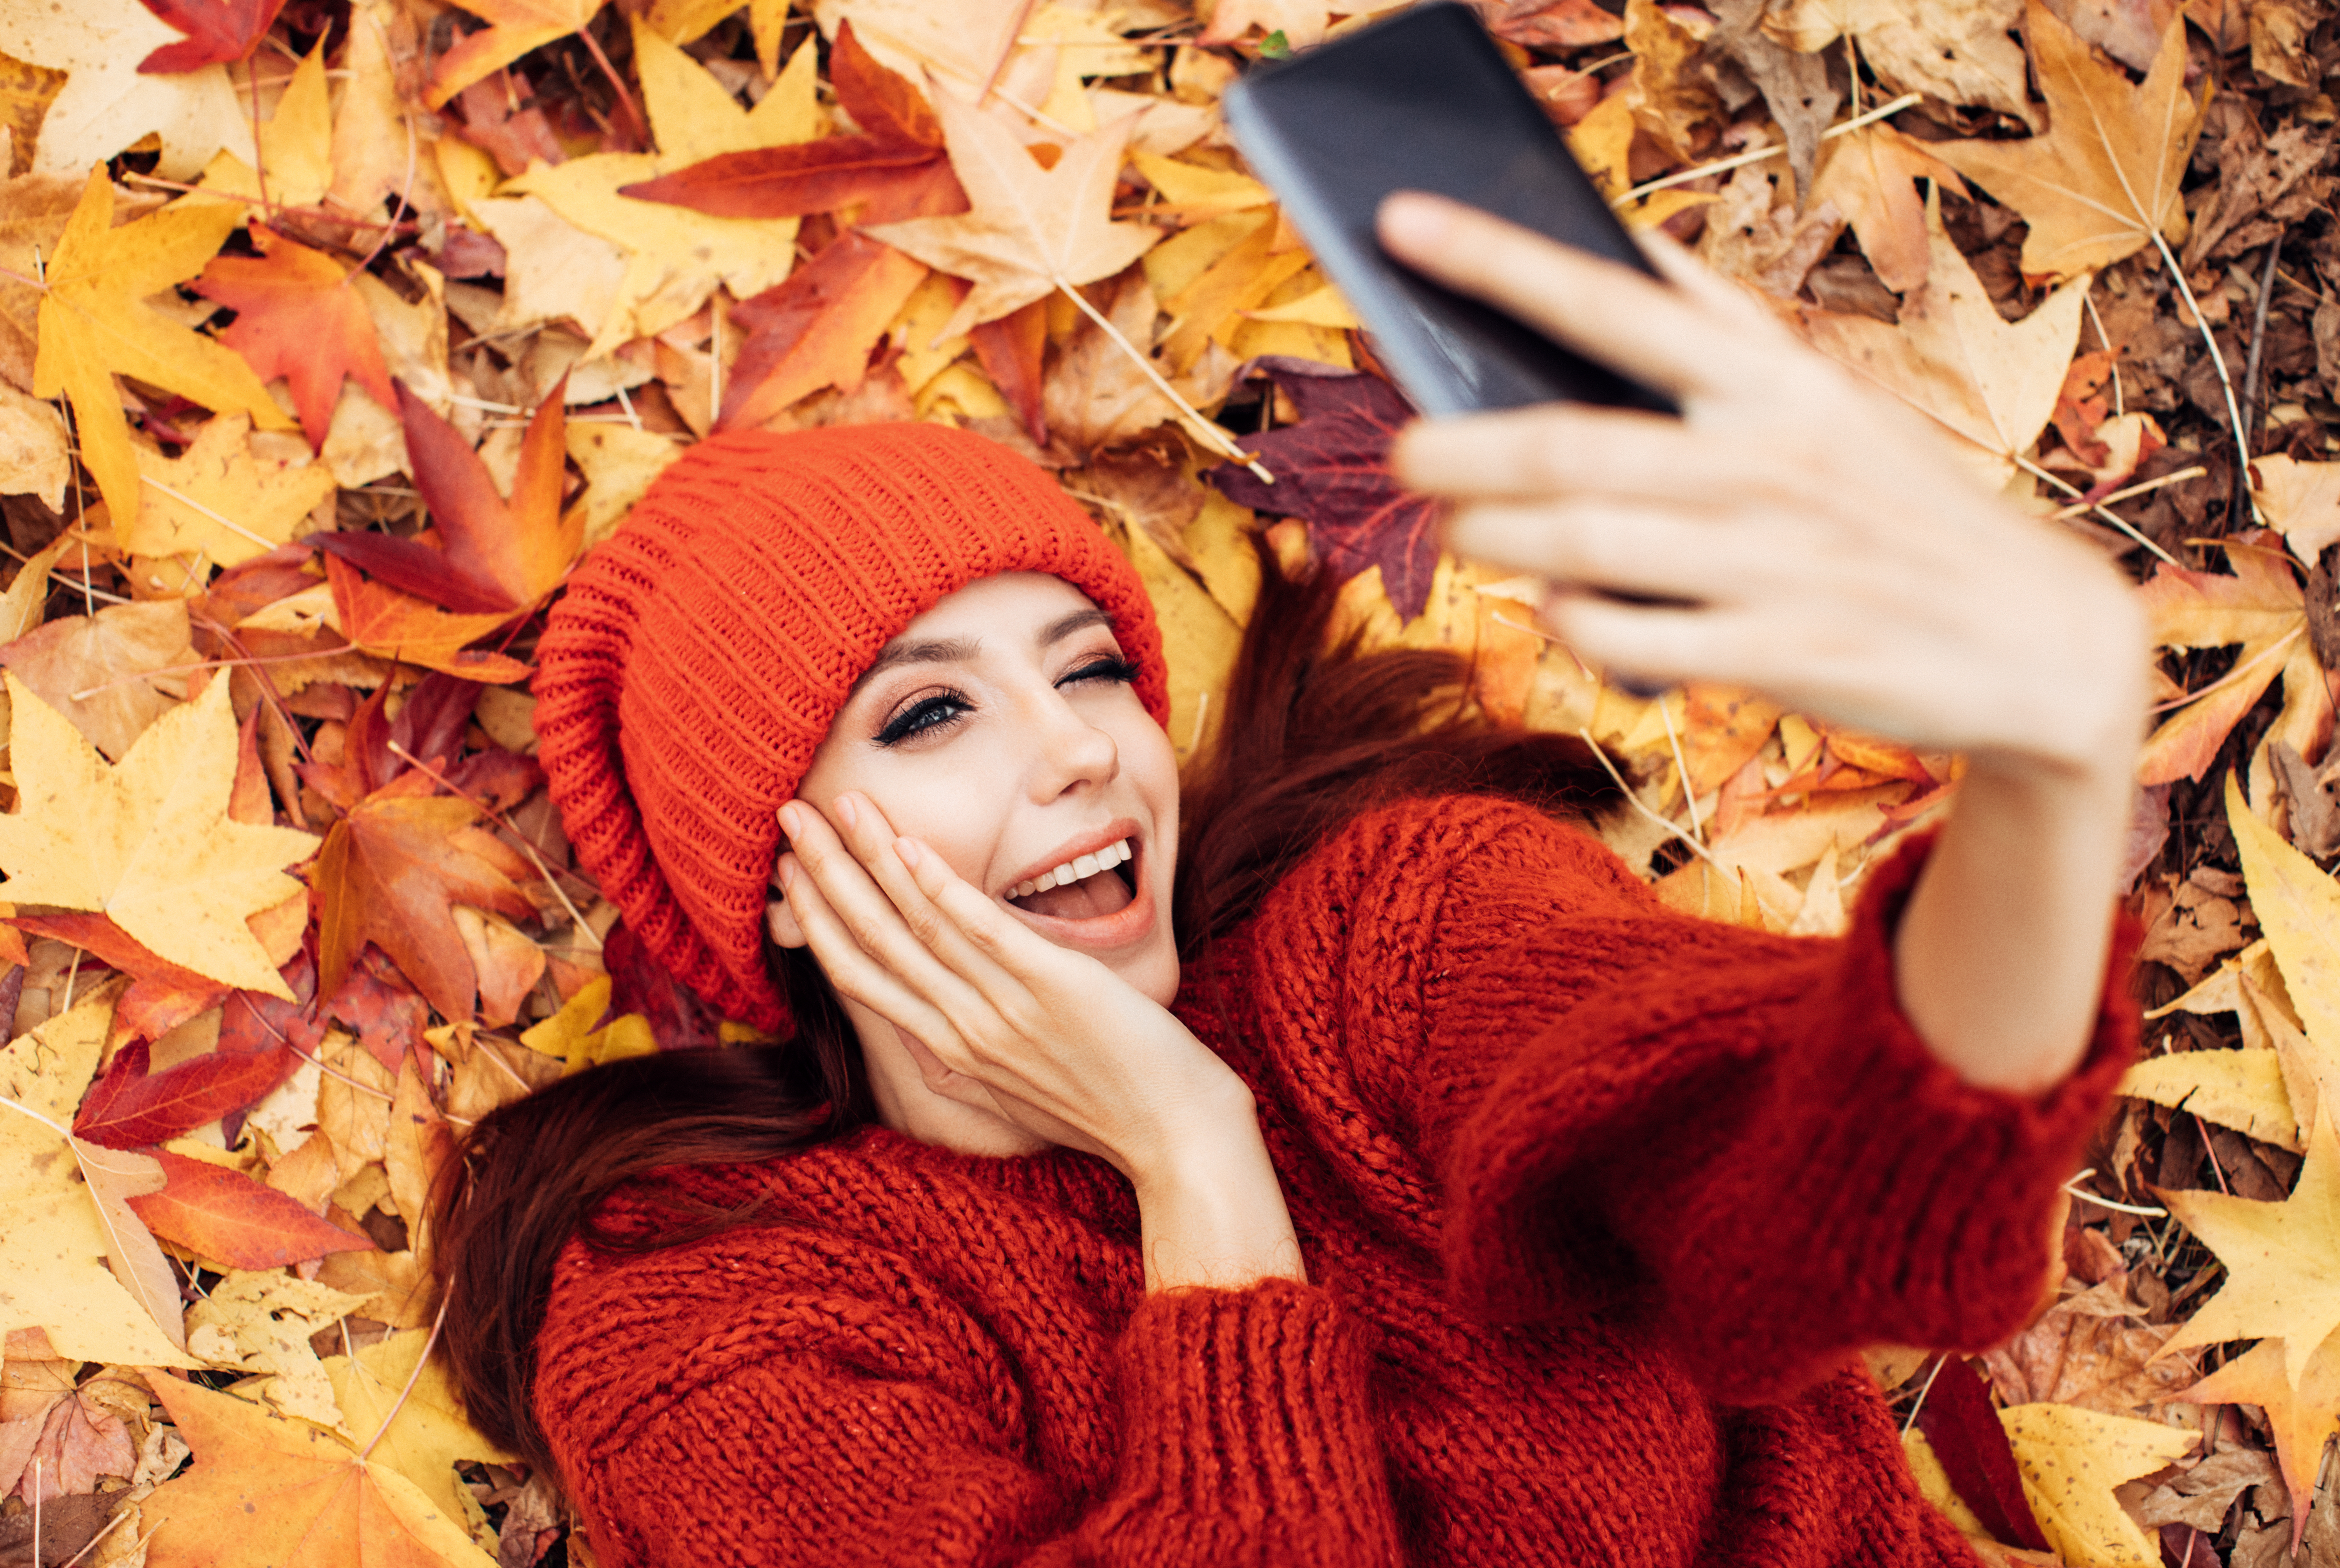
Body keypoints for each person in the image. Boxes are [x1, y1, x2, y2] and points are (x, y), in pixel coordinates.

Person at [433, 193, 2147, 1567]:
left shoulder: (1378, 938)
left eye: (1088, 666)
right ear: (782, 880)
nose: (1081, 746)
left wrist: (2053, 783)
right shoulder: (708, 1312)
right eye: (935, 710)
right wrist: (1197, 1173)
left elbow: (1833, 1180)